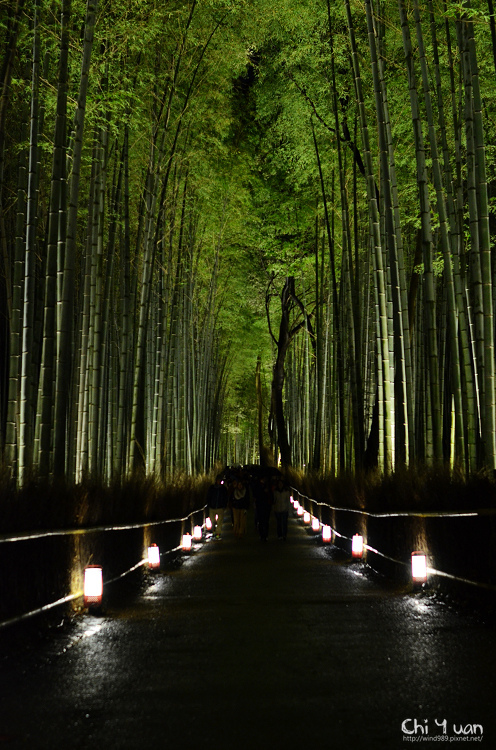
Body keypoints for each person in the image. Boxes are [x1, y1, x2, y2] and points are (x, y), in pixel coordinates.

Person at [252, 475, 273, 542]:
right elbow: (255, 495)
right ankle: (262, 535)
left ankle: (265, 535)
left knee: (266, 521)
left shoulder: (268, 485)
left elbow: (271, 495)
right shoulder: (258, 486)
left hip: (266, 505)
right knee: (261, 521)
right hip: (260, 505)